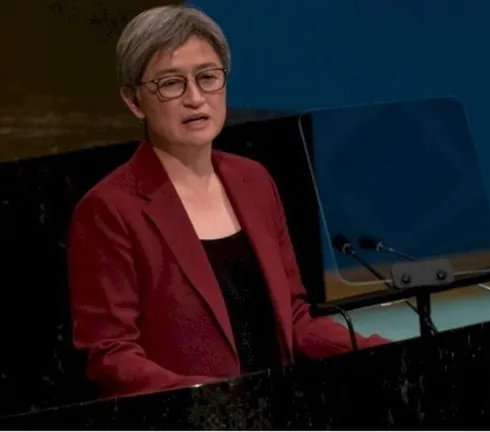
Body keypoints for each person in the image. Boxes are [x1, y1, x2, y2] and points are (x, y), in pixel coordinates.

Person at [67, 5, 389, 398]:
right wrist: (212, 401)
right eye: (171, 83)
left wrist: (380, 352)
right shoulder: (109, 210)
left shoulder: (254, 180)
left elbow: (293, 319)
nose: (195, 98)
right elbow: (111, 355)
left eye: (207, 77)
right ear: (134, 101)